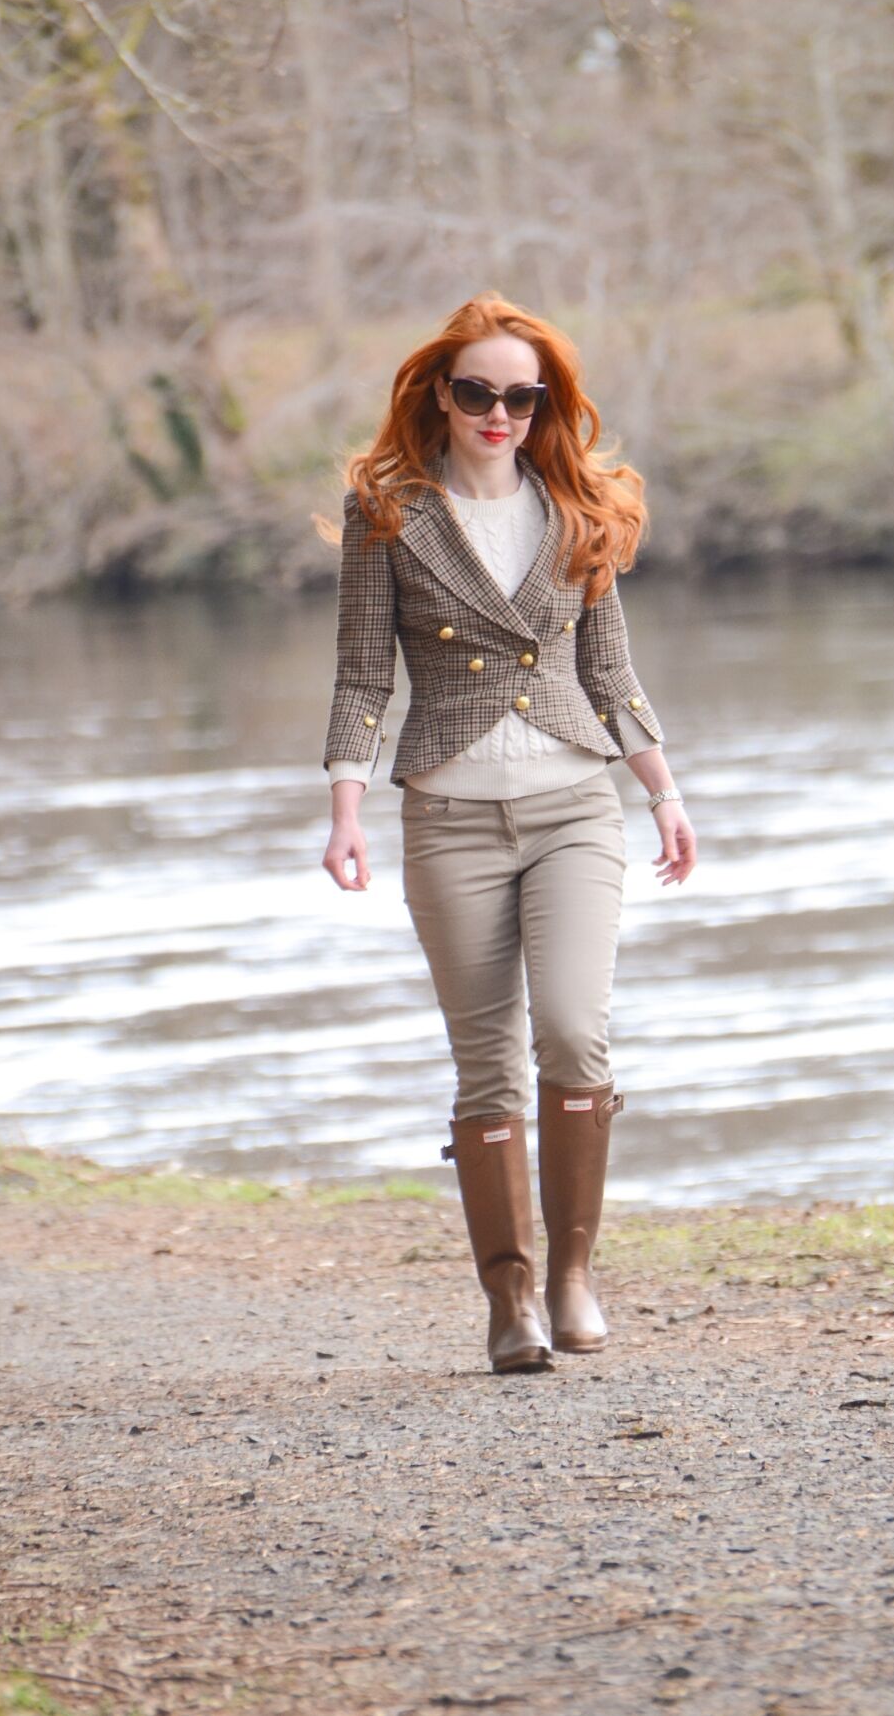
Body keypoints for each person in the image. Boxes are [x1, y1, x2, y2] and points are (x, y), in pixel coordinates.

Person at [321, 292, 696, 1375]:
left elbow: (609, 670)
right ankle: (511, 1298)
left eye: (520, 397)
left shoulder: (577, 507)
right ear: (441, 393)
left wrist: (665, 793)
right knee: (486, 1067)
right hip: (448, 818)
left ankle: (574, 1275)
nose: (499, 413)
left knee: (574, 1032)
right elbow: (362, 673)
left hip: (575, 807)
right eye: (478, 391)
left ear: (544, 405)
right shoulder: (387, 510)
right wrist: (346, 808)